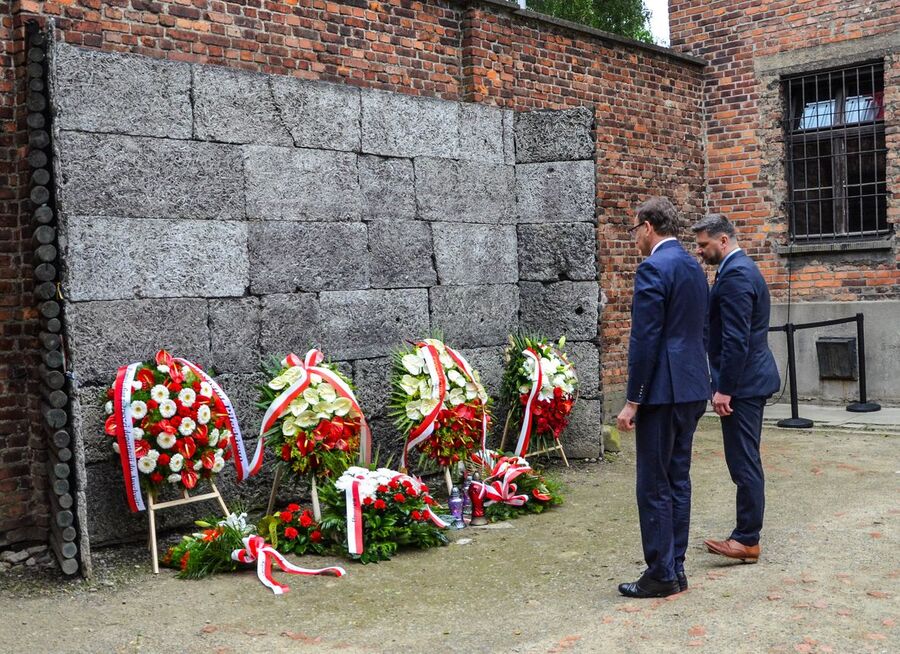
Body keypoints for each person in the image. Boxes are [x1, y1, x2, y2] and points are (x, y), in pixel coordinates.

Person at [616, 197, 710, 598]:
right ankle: (677, 566)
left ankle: (661, 572)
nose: (634, 238)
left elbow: (645, 340)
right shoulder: (693, 264)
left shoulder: (653, 267)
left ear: (649, 227)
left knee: (653, 483)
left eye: (635, 229)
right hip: (692, 386)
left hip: (662, 391)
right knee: (678, 479)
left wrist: (633, 400)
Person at [692, 214, 780, 563]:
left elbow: (735, 340)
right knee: (743, 459)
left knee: (744, 461)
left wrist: (724, 389)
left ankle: (746, 539)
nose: (700, 252)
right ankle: (746, 535)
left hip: (743, 385)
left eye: (704, 245)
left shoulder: (737, 275)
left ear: (723, 240)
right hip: (746, 382)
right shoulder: (737, 270)